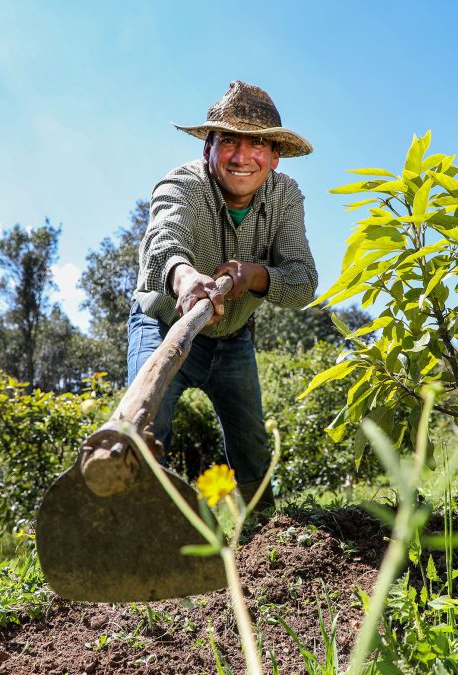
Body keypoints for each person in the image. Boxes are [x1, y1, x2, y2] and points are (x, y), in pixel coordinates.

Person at [128, 81, 318, 509]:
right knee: (145, 426)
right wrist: (184, 278)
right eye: (229, 141)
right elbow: (163, 243)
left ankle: (265, 541)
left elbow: (302, 281)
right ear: (208, 148)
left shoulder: (285, 197)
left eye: (257, 146)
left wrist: (254, 277)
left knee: (252, 446)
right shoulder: (181, 186)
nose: (241, 157)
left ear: (274, 157)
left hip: (233, 339)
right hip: (163, 327)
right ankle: (136, 529)